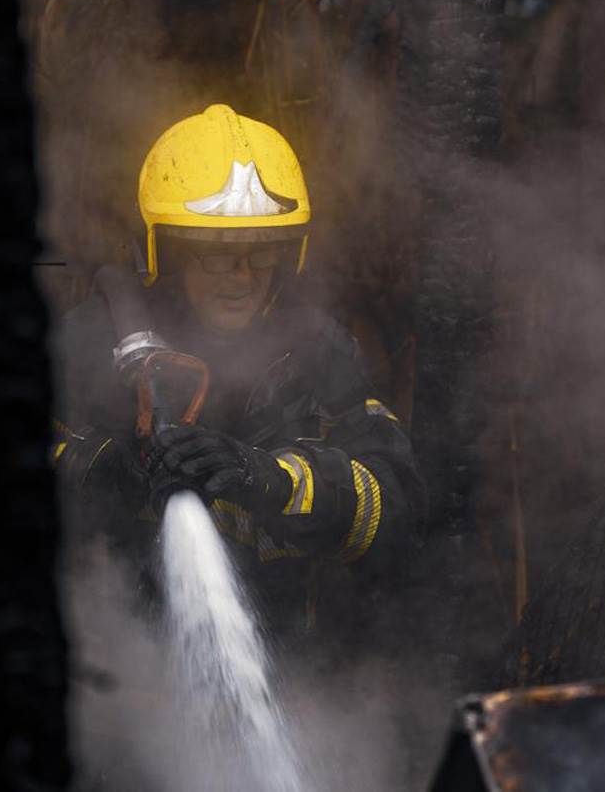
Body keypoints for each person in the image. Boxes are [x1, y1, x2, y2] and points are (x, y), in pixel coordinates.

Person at [53, 104, 423, 645]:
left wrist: (272, 479)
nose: (243, 277)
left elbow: (397, 504)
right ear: (168, 252)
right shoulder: (92, 343)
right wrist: (108, 468)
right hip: (119, 672)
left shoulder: (315, 353)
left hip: (306, 678)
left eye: (262, 253)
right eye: (216, 255)